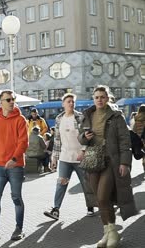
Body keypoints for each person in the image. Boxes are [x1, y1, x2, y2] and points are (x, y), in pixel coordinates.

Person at [78, 85, 137, 248]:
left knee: (103, 197)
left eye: (102, 97)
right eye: (96, 97)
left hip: (111, 161)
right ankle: (109, 233)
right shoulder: (88, 115)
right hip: (93, 160)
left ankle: (112, 234)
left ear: (108, 98)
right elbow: (80, 137)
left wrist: (125, 162)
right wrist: (84, 136)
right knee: (99, 200)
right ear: (93, 99)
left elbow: (125, 141)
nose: (99, 100)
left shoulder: (116, 117)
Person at [0, 90, 28, 242]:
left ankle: (19, 229)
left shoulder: (20, 120)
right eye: (8, 99)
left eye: (13, 99)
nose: (11, 102)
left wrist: (14, 158)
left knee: (16, 197)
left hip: (16, 166)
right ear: (1, 102)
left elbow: (23, 142)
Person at [43, 93, 95, 221]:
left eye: (73, 101)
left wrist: (83, 151)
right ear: (63, 104)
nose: (71, 103)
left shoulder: (80, 117)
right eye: (69, 101)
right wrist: (54, 157)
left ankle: (90, 207)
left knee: (86, 184)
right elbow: (57, 139)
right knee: (61, 183)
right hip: (65, 158)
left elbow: (88, 136)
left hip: (80, 157)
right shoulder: (59, 118)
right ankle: (56, 209)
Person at [132, 105, 145, 172]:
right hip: (144, 137)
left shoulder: (136, 117)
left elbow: (134, 128)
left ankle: (143, 164)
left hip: (138, 138)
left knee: (142, 152)